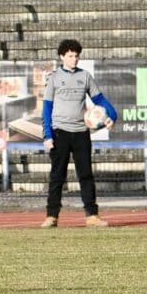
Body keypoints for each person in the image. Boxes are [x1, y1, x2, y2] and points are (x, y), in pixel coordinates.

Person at [38, 39, 117, 229]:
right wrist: (47, 135)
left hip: (81, 133)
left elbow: (100, 100)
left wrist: (112, 116)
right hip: (60, 133)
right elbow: (46, 108)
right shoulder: (54, 78)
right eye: (70, 56)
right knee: (57, 175)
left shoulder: (85, 76)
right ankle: (51, 216)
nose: (74, 59)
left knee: (86, 175)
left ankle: (92, 215)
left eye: (76, 56)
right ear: (62, 57)